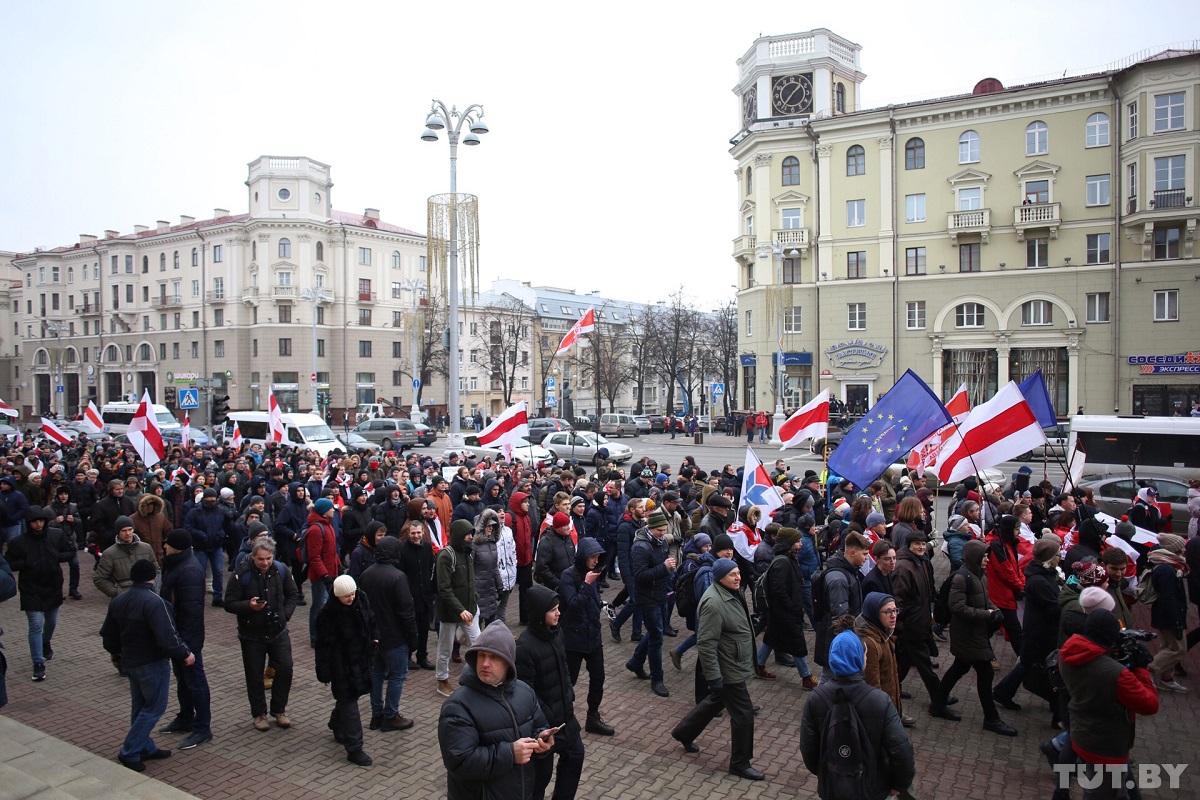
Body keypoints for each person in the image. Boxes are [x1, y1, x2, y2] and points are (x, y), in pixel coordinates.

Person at [438, 620, 554, 800]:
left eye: (493, 657)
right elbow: (459, 761)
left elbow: (539, 726)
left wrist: (542, 741)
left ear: (508, 661)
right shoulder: (458, 706)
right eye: (481, 655)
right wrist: (509, 754)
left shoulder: (525, 692)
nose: (485, 663)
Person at [670, 558, 763, 780]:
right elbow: (706, 644)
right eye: (733, 574)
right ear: (720, 577)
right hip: (728, 667)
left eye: (738, 573)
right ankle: (740, 763)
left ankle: (684, 732)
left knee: (717, 700)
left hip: (734, 662)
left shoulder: (734, 591)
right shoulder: (712, 603)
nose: (738, 577)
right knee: (744, 715)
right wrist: (714, 678)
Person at [100, 558, 195, 771]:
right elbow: (167, 636)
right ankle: (130, 751)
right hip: (152, 662)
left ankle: (145, 746)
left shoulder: (119, 600)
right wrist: (185, 653)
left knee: (140, 706)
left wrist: (116, 654)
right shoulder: (155, 602)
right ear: (154, 578)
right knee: (154, 707)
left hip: (130, 662)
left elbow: (108, 633)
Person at [799, 630, 916, 800]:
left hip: (833, 788)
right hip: (874, 789)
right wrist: (899, 784)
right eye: (865, 655)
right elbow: (901, 750)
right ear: (859, 659)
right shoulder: (880, 700)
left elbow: (809, 749)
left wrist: (826, 773)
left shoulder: (816, 698)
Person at [1058, 609, 1160, 800]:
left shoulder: (1066, 653)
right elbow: (1150, 705)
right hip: (1106, 745)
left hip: (1083, 731)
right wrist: (1141, 670)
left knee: (1122, 790)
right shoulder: (1116, 674)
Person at [930, 539, 1017, 736]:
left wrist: (994, 610)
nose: (987, 559)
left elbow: (985, 600)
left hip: (974, 633)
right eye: (984, 556)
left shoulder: (978, 575)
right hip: (968, 634)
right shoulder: (962, 578)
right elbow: (957, 607)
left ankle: (937, 704)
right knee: (985, 674)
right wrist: (986, 614)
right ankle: (991, 718)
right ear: (974, 557)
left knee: (959, 667)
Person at [223, 536, 300, 731]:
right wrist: (248, 606)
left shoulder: (281, 570)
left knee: (285, 669)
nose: (265, 563)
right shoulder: (242, 574)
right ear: (253, 557)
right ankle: (259, 714)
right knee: (255, 676)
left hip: (278, 631)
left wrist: (285, 614)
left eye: (268, 558)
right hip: (252, 635)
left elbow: (292, 595)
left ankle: (279, 710)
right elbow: (229, 603)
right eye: (261, 559)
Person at [517, 586, 585, 800]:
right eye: (553, 610)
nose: (558, 613)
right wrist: (544, 722)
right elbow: (526, 693)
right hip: (542, 727)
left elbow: (564, 668)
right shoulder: (525, 647)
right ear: (539, 614)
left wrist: (569, 694)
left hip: (565, 717)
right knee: (540, 779)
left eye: (558, 608)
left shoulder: (556, 633)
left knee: (575, 756)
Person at [314, 575, 379, 766]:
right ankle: (355, 748)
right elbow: (322, 647)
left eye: (352, 594)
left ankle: (336, 722)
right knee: (349, 705)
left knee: (349, 699)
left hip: (361, 659)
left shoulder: (362, 599)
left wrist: (374, 637)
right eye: (346, 596)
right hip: (341, 665)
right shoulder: (326, 615)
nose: (351, 598)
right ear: (336, 596)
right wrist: (324, 672)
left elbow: (371, 619)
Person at [357, 536, 419, 731]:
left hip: (373, 636)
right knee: (397, 676)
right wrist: (413, 637)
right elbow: (406, 611)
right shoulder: (398, 577)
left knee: (376, 674)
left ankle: (377, 715)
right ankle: (390, 715)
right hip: (394, 637)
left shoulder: (366, 574)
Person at [158, 529, 212, 750]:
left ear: (175, 546)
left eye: (167, 543)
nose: (164, 546)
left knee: (196, 681)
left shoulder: (188, 570)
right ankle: (186, 717)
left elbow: (190, 610)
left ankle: (202, 728)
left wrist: (183, 644)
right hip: (177, 635)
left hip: (186, 637)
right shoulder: (175, 563)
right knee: (183, 679)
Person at [5, 505, 72, 682]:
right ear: (29, 523)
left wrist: (57, 556)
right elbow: (9, 563)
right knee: (35, 624)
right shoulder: (18, 542)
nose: (38, 524)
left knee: (51, 622)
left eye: (41, 520)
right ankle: (38, 662)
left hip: (53, 585)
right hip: (30, 588)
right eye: (34, 521)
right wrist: (26, 562)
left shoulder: (56, 535)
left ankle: (44, 643)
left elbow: (70, 551)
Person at [558, 536, 613, 736]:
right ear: (583, 556)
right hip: (573, 639)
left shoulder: (593, 574)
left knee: (598, 677)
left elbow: (591, 602)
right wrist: (587, 584)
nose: (596, 561)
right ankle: (563, 717)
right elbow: (572, 605)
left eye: (598, 557)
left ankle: (593, 716)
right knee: (569, 681)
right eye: (593, 557)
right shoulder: (568, 575)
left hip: (593, 637)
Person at [626, 507, 675, 698]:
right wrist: (664, 568)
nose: (663, 534)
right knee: (657, 638)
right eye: (659, 531)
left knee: (656, 631)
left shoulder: (660, 542)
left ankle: (636, 661)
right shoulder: (641, 547)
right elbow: (639, 575)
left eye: (664, 530)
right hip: (648, 598)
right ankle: (657, 679)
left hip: (661, 594)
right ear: (650, 528)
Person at [760, 526, 817, 688]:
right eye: (797, 542)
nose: (800, 545)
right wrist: (791, 606)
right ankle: (806, 676)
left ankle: (758, 664)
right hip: (785, 613)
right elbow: (778, 589)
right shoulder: (782, 562)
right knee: (797, 643)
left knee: (771, 637)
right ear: (789, 543)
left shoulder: (787, 558)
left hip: (781, 612)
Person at [890, 530, 938, 721]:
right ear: (909, 545)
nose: (921, 547)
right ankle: (939, 698)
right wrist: (901, 621)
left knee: (903, 662)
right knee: (924, 664)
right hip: (911, 625)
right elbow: (898, 598)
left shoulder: (922, 562)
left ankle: (893, 687)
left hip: (921, 622)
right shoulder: (904, 567)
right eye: (917, 544)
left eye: (923, 543)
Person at [435, 519, 481, 697]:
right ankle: (442, 680)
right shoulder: (446, 556)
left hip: (470, 610)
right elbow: (444, 589)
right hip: (451, 613)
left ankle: (477, 677)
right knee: (445, 647)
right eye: (468, 534)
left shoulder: (468, 553)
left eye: (472, 533)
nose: (471, 537)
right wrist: (459, 609)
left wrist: (474, 601)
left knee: (478, 644)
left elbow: (470, 581)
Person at [814, 531, 869, 673]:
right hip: (836, 640)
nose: (867, 558)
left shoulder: (850, 571)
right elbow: (840, 617)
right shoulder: (838, 579)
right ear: (852, 553)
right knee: (830, 679)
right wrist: (847, 643)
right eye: (864, 554)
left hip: (839, 638)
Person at [1146, 533, 1189, 693]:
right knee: (1178, 649)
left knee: (1168, 645)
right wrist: (1176, 620)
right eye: (1181, 547)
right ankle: (1148, 670)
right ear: (1174, 550)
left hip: (1166, 614)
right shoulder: (1167, 570)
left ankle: (1167, 677)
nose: (1184, 549)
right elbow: (1168, 597)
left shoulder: (1168, 565)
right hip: (1169, 615)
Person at [855, 592, 905, 722]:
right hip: (881, 713)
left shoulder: (885, 634)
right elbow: (872, 686)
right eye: (888, 612)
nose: (894, 616)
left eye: (895, 610)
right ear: (875, 614)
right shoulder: (871, 644)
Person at [304, 497, 341, 646]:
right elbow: (314, 557)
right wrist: (324, 575)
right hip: (320, 576)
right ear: (325, 512)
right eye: (331, 508)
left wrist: (338, 565)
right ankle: (315, 636)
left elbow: (331, 551)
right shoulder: (316, 529)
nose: (333, 510)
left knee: (327, 606)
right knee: (318, 606)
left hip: (330, 572)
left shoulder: (328, 525)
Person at [94, 516, 157, 598]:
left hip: (147, 594)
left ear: (133, 529)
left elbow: (156, 569)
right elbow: (99, 578)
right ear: (118, 532)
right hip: (125, 597)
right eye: (124, 531)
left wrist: (153, 586)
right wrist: (117, 593)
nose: (127, 533)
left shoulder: (146, 548)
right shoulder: (109, 553)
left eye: (130, 529)